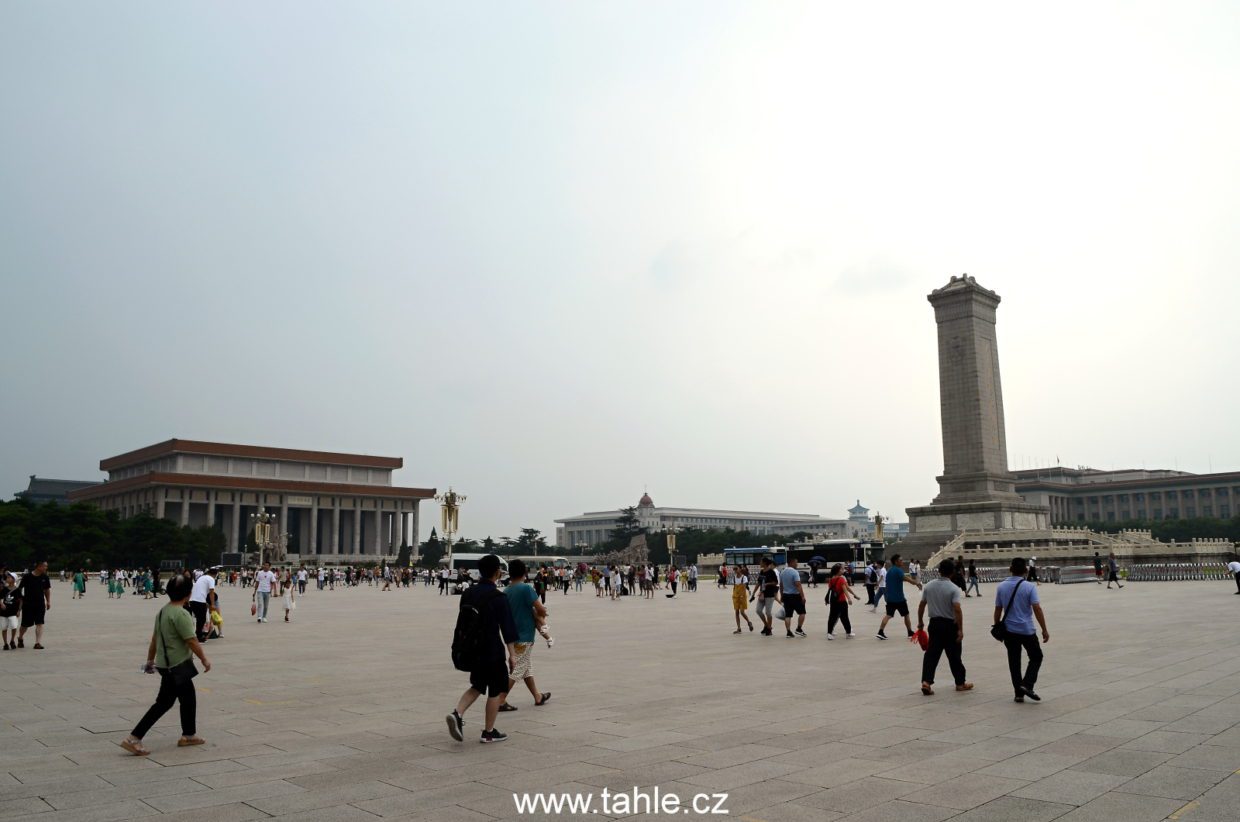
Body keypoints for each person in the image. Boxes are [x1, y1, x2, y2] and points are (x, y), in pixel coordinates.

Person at [120, 573, 211, 755]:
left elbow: (154, 640)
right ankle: (134, 738)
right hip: (176, 666)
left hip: (166, 665)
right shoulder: (181, 614)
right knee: (163, 703)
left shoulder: (163, 611)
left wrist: (150, 660)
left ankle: (188, 735)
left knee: (186, 698)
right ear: (188, 593)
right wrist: (204, 659)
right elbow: (192, 640)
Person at [446, 554, 518, 744]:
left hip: (472, 648)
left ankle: (457, 713)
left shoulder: (469, 593)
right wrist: (512, 655)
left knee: (478, 684)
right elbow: (507, 628)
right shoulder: (498, 597)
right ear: (497, 572)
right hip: (491, 650)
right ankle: (488, 732)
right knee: (495, 689)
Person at [497, 560, 551, 713]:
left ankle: (537, 696)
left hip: (512, 635)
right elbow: (539, 608)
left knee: (526, 667)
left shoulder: (506, 591)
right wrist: (543, 614)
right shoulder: (526, 588)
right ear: (524, 572)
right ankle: (500, 699)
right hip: (525, 634)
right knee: (518, 669)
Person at [995, 557, 1050, 703]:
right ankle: (1027, 684)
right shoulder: (1029, 587)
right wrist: (1044, 629)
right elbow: (1037, 608)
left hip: (1009, 631)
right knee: (1036, 656)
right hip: (1027, 630)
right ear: (1025, 571)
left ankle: (1019, 693)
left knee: (1014, 662)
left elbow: (998, 609)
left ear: (1010, 569)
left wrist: (997, 627)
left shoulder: (1001, 586)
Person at [918, 559, 973, 695]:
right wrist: (960, 629)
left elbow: (921, 605)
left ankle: (926, 681)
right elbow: (957, 609)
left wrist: (920, 621)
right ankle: (960, 683)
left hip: (935, 624)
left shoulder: (929, 586)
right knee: (954, 655)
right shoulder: (953, 588)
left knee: (931, 654)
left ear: (939, 571)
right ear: (953, 572)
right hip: (950, 625)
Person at [876, 554, 922, 641]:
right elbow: (908, 579)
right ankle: (910, 632)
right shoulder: (898, 571)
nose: (902, 561)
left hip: (890, 598)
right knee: (906, 615)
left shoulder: (890, 570)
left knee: (888, 615)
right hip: (899, 598)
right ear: (896, 562)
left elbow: (901, 579)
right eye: (900, 560)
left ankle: (880, 632)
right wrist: (918, 583)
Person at [16, 561, 51, 649]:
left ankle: (37, 643)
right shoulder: (27, 577)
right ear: (39, 566)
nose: (46, 568)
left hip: (40, 603)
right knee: (25, 624)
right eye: (45, 566)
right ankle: (20, 637)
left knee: (40, 622)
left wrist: (48, 601)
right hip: (28, 604)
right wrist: (20, 598)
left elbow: (47, 590)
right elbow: (20, 588)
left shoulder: (45, 577)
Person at [825, 563, 860, 639]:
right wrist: (849, 599)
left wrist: (854, 595)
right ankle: (848, 633)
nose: (843, 570)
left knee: (832, 617)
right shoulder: (841, 579)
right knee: (844, 617)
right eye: (842, 569)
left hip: (833, 601)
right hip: (841, 601)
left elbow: (831, 589)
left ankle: (829, 633)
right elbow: (845, 590)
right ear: (838, 571)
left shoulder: (831, 579)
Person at [779, 555, 807, 638]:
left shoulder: (782, 572)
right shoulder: (795, 572)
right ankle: (799, 629)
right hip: (795, 596)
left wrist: (781, 596)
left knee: (788, 615)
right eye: (796, 562)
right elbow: (798, 585)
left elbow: (781, 585)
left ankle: (788, 632)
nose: (797, 564)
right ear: (791, 562)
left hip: (786, 596)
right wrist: (802, 596)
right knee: (802, 613)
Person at [188, 567, 217, 642]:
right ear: (215, 574)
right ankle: (198, 636)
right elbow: (211, 592)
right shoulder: (211, 579)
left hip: (192, 600)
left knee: (199, 619)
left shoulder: (202, 578)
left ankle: (198, 634)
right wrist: (213, 604)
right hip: (199, 601)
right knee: (202, 619)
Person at [751, 556, 779, 636]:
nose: (760, 563)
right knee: (758, 610)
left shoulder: (771, 572)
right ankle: (767, 626)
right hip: (762, 594)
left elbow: (776, 583)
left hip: (770, 595)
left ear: (765, 563)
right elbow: (759, 583)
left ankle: (768, 630)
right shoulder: (762, 571)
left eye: (761, 562)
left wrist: (767, 584)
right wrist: (753, 592)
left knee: (768, 613)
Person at [730, 564, 754, 634]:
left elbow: (744, 587)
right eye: (734, 569)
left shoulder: (744, 578)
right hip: (735, 597)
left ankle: (749, 622)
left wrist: (741, 595)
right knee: (736, 612)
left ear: (740, 569)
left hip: (742, 597)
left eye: (736, 569)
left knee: (742, 612)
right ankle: (739, 628)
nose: (735, 570)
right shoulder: (734, 578)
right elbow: (734, 587)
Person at [2, 573, 22, 650]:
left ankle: (12, 640)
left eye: (9, 577)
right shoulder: (4, 589)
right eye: (7, 577)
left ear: (14, 579)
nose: (7, 579)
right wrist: (1, 604)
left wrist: (19, 610)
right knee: (4, 628)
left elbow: (20, 601)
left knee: (14, 626)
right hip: (3, 612)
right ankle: (5, 643)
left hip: (13, 611)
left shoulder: (17, 590)